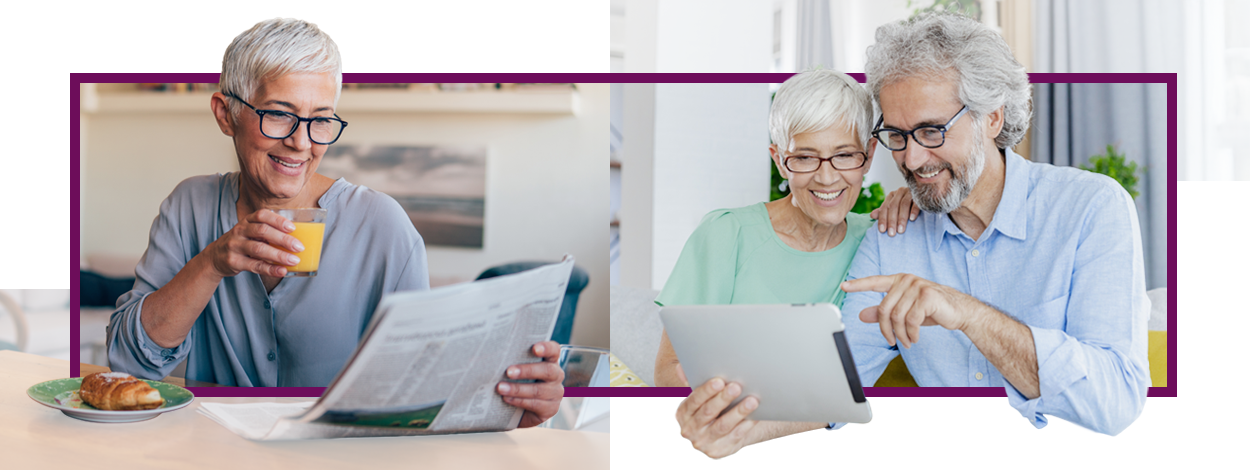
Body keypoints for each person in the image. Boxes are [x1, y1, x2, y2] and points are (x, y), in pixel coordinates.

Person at [672, 14, 1150, 458]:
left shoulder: (1091, 208)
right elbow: (838, 378)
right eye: (897, 136)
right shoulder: (893, 236)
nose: (913, 161)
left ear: (993, 117)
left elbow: (1115, 403)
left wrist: (968, 314)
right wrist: (743, 432)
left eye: (931, 131)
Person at [106, 17, 561, 429]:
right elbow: (130, 363)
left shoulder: (382, 227)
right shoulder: (191, 205)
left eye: (320, 120)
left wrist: (511, 406)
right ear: (227, 115)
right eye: (279, 114)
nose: (301, 143)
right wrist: (211, 263)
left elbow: (419, 393)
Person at [655, 69, 917, 458]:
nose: (827, 177)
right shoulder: (728, 235)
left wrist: (914, 201)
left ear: (868, 157)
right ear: (780, 160)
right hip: (728, 445)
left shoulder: (881, 240)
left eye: (845, 155)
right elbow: (668, 371)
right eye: (805, 157)